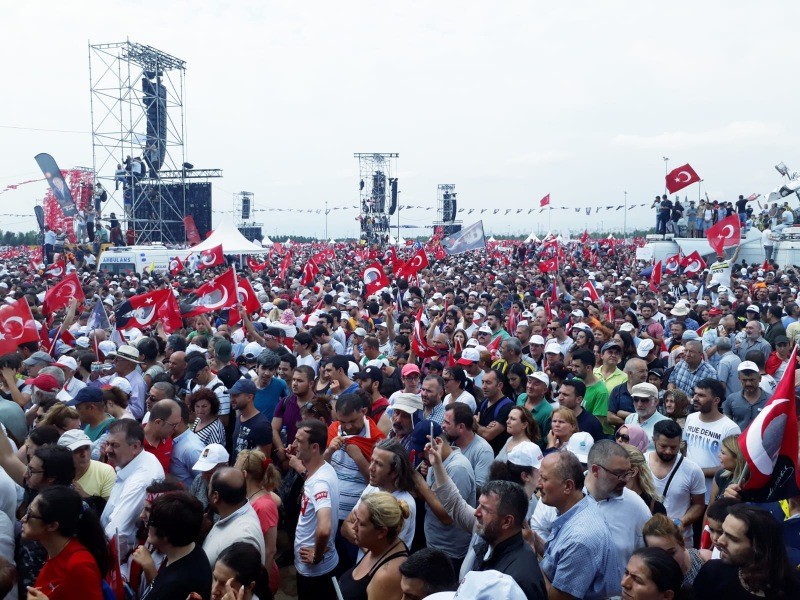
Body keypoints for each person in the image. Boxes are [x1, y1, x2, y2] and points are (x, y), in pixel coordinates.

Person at [536, 451, 623, 599]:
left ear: (568, 486)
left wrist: (530, 557)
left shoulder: (580, 539)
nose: (538, 484)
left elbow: (557, 598)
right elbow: (559, 558)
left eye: (544, 478)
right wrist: (534, 541)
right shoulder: (581, 503)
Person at [22, 486, 109, 600]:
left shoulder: (79, 564)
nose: (23, 518)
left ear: (52, 526)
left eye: (30, 514)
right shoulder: (55, 551)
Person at [694, 504, 800, 597]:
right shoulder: (713, 573)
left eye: (732, 538)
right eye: (723, 532)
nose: (720, 540)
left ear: (758, 548)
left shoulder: (793, 586)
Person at [288, 418, 340, 599]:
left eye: (299, 441)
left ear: (315, 447)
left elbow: (324, 528)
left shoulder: (319, 483)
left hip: (314, 571)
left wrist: (316, 556)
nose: (294, 445)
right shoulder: (324, 468)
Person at [101, 419, 165, 560]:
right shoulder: (136, 460)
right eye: (107, 444)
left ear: (135, 447)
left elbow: (117, 533)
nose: (107, 450)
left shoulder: (141, 481)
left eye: (114, 445)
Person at [340, 438, 417, 555]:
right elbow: (345, 527)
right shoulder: (373, 487)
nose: (371, 468)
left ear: (395, 472)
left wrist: (359, 539)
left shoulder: (405, 503)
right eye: (372, 461)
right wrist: (367, 542)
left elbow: (385, 553)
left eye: (379, 464)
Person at [134, 492, 212, 600]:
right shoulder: (192, 550)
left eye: (151, 522)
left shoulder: (175, 587)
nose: (147, 525)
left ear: (165, 534)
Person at [338, 492, 410, 600]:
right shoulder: (379, 547)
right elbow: (344, 530)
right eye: (355, 519)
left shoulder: (386, 576)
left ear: (381, 532)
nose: (353, 527)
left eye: (361, 524)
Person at [647, 420, 706, 547]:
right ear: (654, 440)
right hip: (646, 540)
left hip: (679, 542)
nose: (668, 451)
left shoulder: (693, 470)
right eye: (663, 446)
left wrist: (682, 522)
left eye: (674, 447)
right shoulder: (641, 464)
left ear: (680, 443)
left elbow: (699, 505)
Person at [683, 378, 740, 502]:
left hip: (710, 495)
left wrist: (698, 472)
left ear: (716, 400)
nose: (695, 398)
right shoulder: (691, 418)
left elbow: (734, 465)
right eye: (695, 394)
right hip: (687, 490)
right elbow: (685, 448)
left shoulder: (730, 428)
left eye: (701, 395)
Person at [234, 449, 281, 595]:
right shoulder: (251, 495)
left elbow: (270, 549)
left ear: (244, 475)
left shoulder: (263, 506)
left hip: (259, 577)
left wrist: (261, 584)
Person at [203, 467, 266, 567]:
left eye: (209, 488)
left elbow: (234, 581)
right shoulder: (232, 513)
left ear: (215, 496)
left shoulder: (243, 538)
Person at [643, 513, 708, 593]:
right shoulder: (649, 579)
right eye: (658, 556)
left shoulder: (705, 559)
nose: (666, 561)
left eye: (671, 553)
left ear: (682, 543)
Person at [441, 403, 494, 492]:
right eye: (443, 421)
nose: (443, 425)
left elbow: (481, 488)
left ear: (461, 427)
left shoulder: (483, 450)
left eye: (447, 422)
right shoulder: (449, 441)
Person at [230, 378, 272, 464]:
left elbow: (264, 461)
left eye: (236, 395)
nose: (232, 399)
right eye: (231, 395)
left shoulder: (262, 425)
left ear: (249, 397)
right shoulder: (239, 418)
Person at [476, 369, 515, 454]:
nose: (483, 386)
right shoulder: (484, 402)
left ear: (500, 385)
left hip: (497, 458)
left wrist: (474, 424)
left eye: (488, 383)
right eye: (483, 382)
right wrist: (482, 428)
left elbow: (487, 435)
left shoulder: (507, 407)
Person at [722, 361, 769, 431]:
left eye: (752, 380)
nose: (748, 383)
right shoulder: (731, 399)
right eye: (744, 380)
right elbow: (726, 425)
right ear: (739, 378)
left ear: (759, 378)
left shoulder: (770, 400)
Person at [624, 383, 669, 450]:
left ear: (656, 401)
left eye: (644, 400)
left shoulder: (666, 424)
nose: (639, 404)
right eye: (636, 399)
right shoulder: (630, 419)